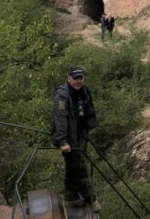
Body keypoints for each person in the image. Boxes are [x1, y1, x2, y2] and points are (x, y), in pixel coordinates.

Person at [51, 66, 98, 208]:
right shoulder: (62, 96)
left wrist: (88, 130)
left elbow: (89, 112)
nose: (78, 81)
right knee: (80, 167)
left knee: (72, 167)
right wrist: (63, 142)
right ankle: (91, 199)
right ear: (69, 78)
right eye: (75, 78)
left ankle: (70, 197)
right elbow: (60, 119)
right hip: (68, 138)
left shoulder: (84, 91)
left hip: (80, 135)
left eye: (80, 78)